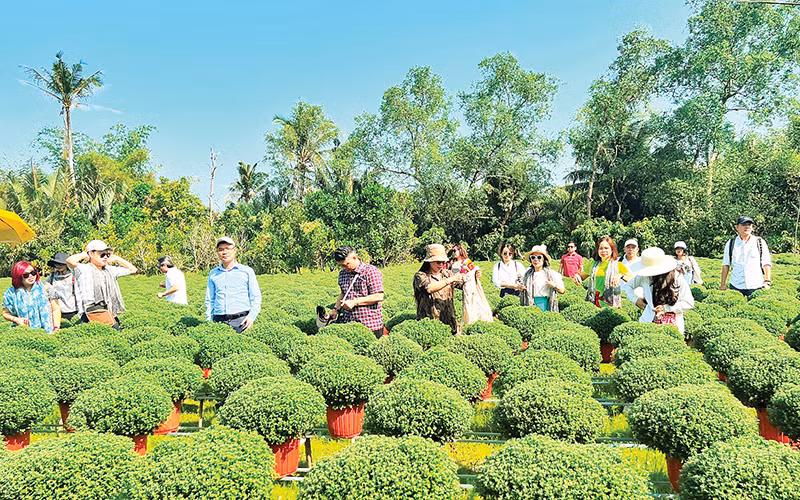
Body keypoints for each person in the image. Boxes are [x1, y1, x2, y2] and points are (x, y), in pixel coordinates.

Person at [67, 241, 137, 328]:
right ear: (91, 254)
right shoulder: (83, 269)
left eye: (107, 254)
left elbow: (133, 270)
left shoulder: (110, 270)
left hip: (109, 312)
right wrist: (84, 255)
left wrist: (117, 259)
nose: (105, 257)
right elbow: (69, 261)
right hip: (91, 314)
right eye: (102, 254)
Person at [628, 247, 695, 336]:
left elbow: (689, 303)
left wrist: (666, 308)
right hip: (648, 322)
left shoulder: (677, 278)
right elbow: (628, 286)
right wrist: (635, 300)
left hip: (672, 327)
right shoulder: (644, 277)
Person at [205, 237, 262, 333]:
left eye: (227, 248)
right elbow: (210, 299)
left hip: (241, 321)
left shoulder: (246, 271)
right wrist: (209, 320)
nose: (224, 252)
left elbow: (256, 297)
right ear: (217, 253)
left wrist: (251, 317)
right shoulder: (213, 273)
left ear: (235, 251)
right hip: (218, 320)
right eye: (220, 250)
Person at [328, 246, 385, 339]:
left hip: (370, 325)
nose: (343, 268)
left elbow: (379, 296)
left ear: (355, 258)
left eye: (346, 264)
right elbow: (343, 293)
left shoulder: (370, 271)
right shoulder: (342, 274)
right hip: (349, 324)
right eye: (341, 266)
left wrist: (355, 302)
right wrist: (335, 310)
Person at [413, 244, 465, 334]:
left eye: (443, 262)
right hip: (429, 323)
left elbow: (462, 285)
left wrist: (473, 276)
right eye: (438, 262)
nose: (441, 265)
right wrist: (450, 280)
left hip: (449, 321)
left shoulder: (447, 274)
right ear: (429, 262)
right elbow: (429, 288)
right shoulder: (420, 276)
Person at [573, 237, 632, 308]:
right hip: (594, 302)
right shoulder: (593, 264)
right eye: (601, 248)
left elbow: (631, 279)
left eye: (606, 248)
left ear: (612, 250)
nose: (603, 251)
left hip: (611, 305)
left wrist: (620, 275)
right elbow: (581, 277)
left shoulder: (618, 265)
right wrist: (577, 276)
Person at [720, 216, 771, 297]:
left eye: (749, 225)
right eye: (744, 224)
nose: (747, 227)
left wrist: (767, 281)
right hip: (736, 285)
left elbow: (766, 263)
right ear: (737, 227)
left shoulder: (759, 242)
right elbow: (726, 264)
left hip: (756, 285)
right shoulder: (731, 243)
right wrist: (723, 284)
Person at [2, 261, 58, 333]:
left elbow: (56, 309)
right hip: (24, 332)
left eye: (33, 273)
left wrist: (56, 328)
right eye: (26, 275)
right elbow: (5, 313)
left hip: (48, 332)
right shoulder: (11, 293)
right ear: (18, 276)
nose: (31, 276)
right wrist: (16, 319)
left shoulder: (46, 288)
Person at [449, 244, 492, 326]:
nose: (453, 253)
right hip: (456, 285)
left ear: (460, 251)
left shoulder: (466, 261)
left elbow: (473, 273)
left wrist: (468, 270)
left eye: (455, 250)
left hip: (466, 285)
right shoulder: (452, 262)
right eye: (452, 251)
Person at [520, 245, 565, 312]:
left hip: (546, 304)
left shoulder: (552, 274)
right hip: (530, 303)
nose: (536, 260)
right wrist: (521, 288)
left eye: (539, 257)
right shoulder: (527, 274)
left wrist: (554, 285)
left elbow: (562, 290)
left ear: (544, 259)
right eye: (533, 257)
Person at [45, 252, 79, 323]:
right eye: (57, 264)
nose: (58, 266)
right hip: (57, 310)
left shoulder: (73, 276)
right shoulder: (52, 276)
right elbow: (45, 287)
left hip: (72, 310)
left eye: (61, 264)